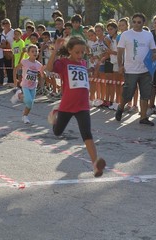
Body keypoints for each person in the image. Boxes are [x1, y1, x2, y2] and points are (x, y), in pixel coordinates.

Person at [45, 37, 106, 177]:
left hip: (83, 105)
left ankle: (96, 165)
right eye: (77, 52)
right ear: (70, 51)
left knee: (87, 133)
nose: (80, 55)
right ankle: (55, 115)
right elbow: (48, 69)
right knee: (58, 132)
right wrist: (55, 49)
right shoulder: (63, 63)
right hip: (67, 104)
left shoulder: (83, 63)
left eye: (82, 52)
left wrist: (96, 66)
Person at [116, 13, 156, 126]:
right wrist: (120, 65)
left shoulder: (148, 35)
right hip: (130, 70)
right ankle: (120, 107)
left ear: (143, 23)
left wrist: (155, 54)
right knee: (128, 94)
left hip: (146, 70)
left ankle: (143, 117)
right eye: (134, 22)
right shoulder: (126, 34)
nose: (136, 24)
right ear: (132, 22)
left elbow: (153, 50)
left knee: (145, 94)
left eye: (139, 22)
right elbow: (119, 52)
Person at [11, 44, 44, 124]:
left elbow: (42, 74)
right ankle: (19, 95)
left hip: (33, 86)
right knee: (28, 101)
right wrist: (15, 79)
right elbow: (15, 69)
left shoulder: (38, 64)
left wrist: (44, 75)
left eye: (36, 51)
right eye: (32, 51)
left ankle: (25, 116)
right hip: (25, 85)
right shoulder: (25, 62)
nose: (35, 53)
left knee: (30, 104)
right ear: (28, 53)